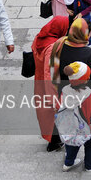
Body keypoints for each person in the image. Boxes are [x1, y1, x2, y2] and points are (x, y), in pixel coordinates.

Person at [57, 61, 91, 172]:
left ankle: (68, 163)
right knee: (90, 147)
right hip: (89, 129)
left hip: (70, 129)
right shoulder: (90, 95)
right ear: (85, 80)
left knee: (71, 146)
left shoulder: (64, 92)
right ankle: (89, 166)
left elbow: (58, 107)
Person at [31, 16, 70, 151]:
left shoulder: (39, 38)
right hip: (49, 86)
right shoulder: (53, 47)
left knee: (44, 113)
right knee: (53, 113)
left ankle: (53, 140)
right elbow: (51, 73)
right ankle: (54, 143)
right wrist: (54, 97)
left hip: (39, 81)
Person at [52, 18, 91, 96]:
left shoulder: (59, 45)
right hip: (85, 97)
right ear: (87, 34)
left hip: (64, 93)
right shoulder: (89, 54)